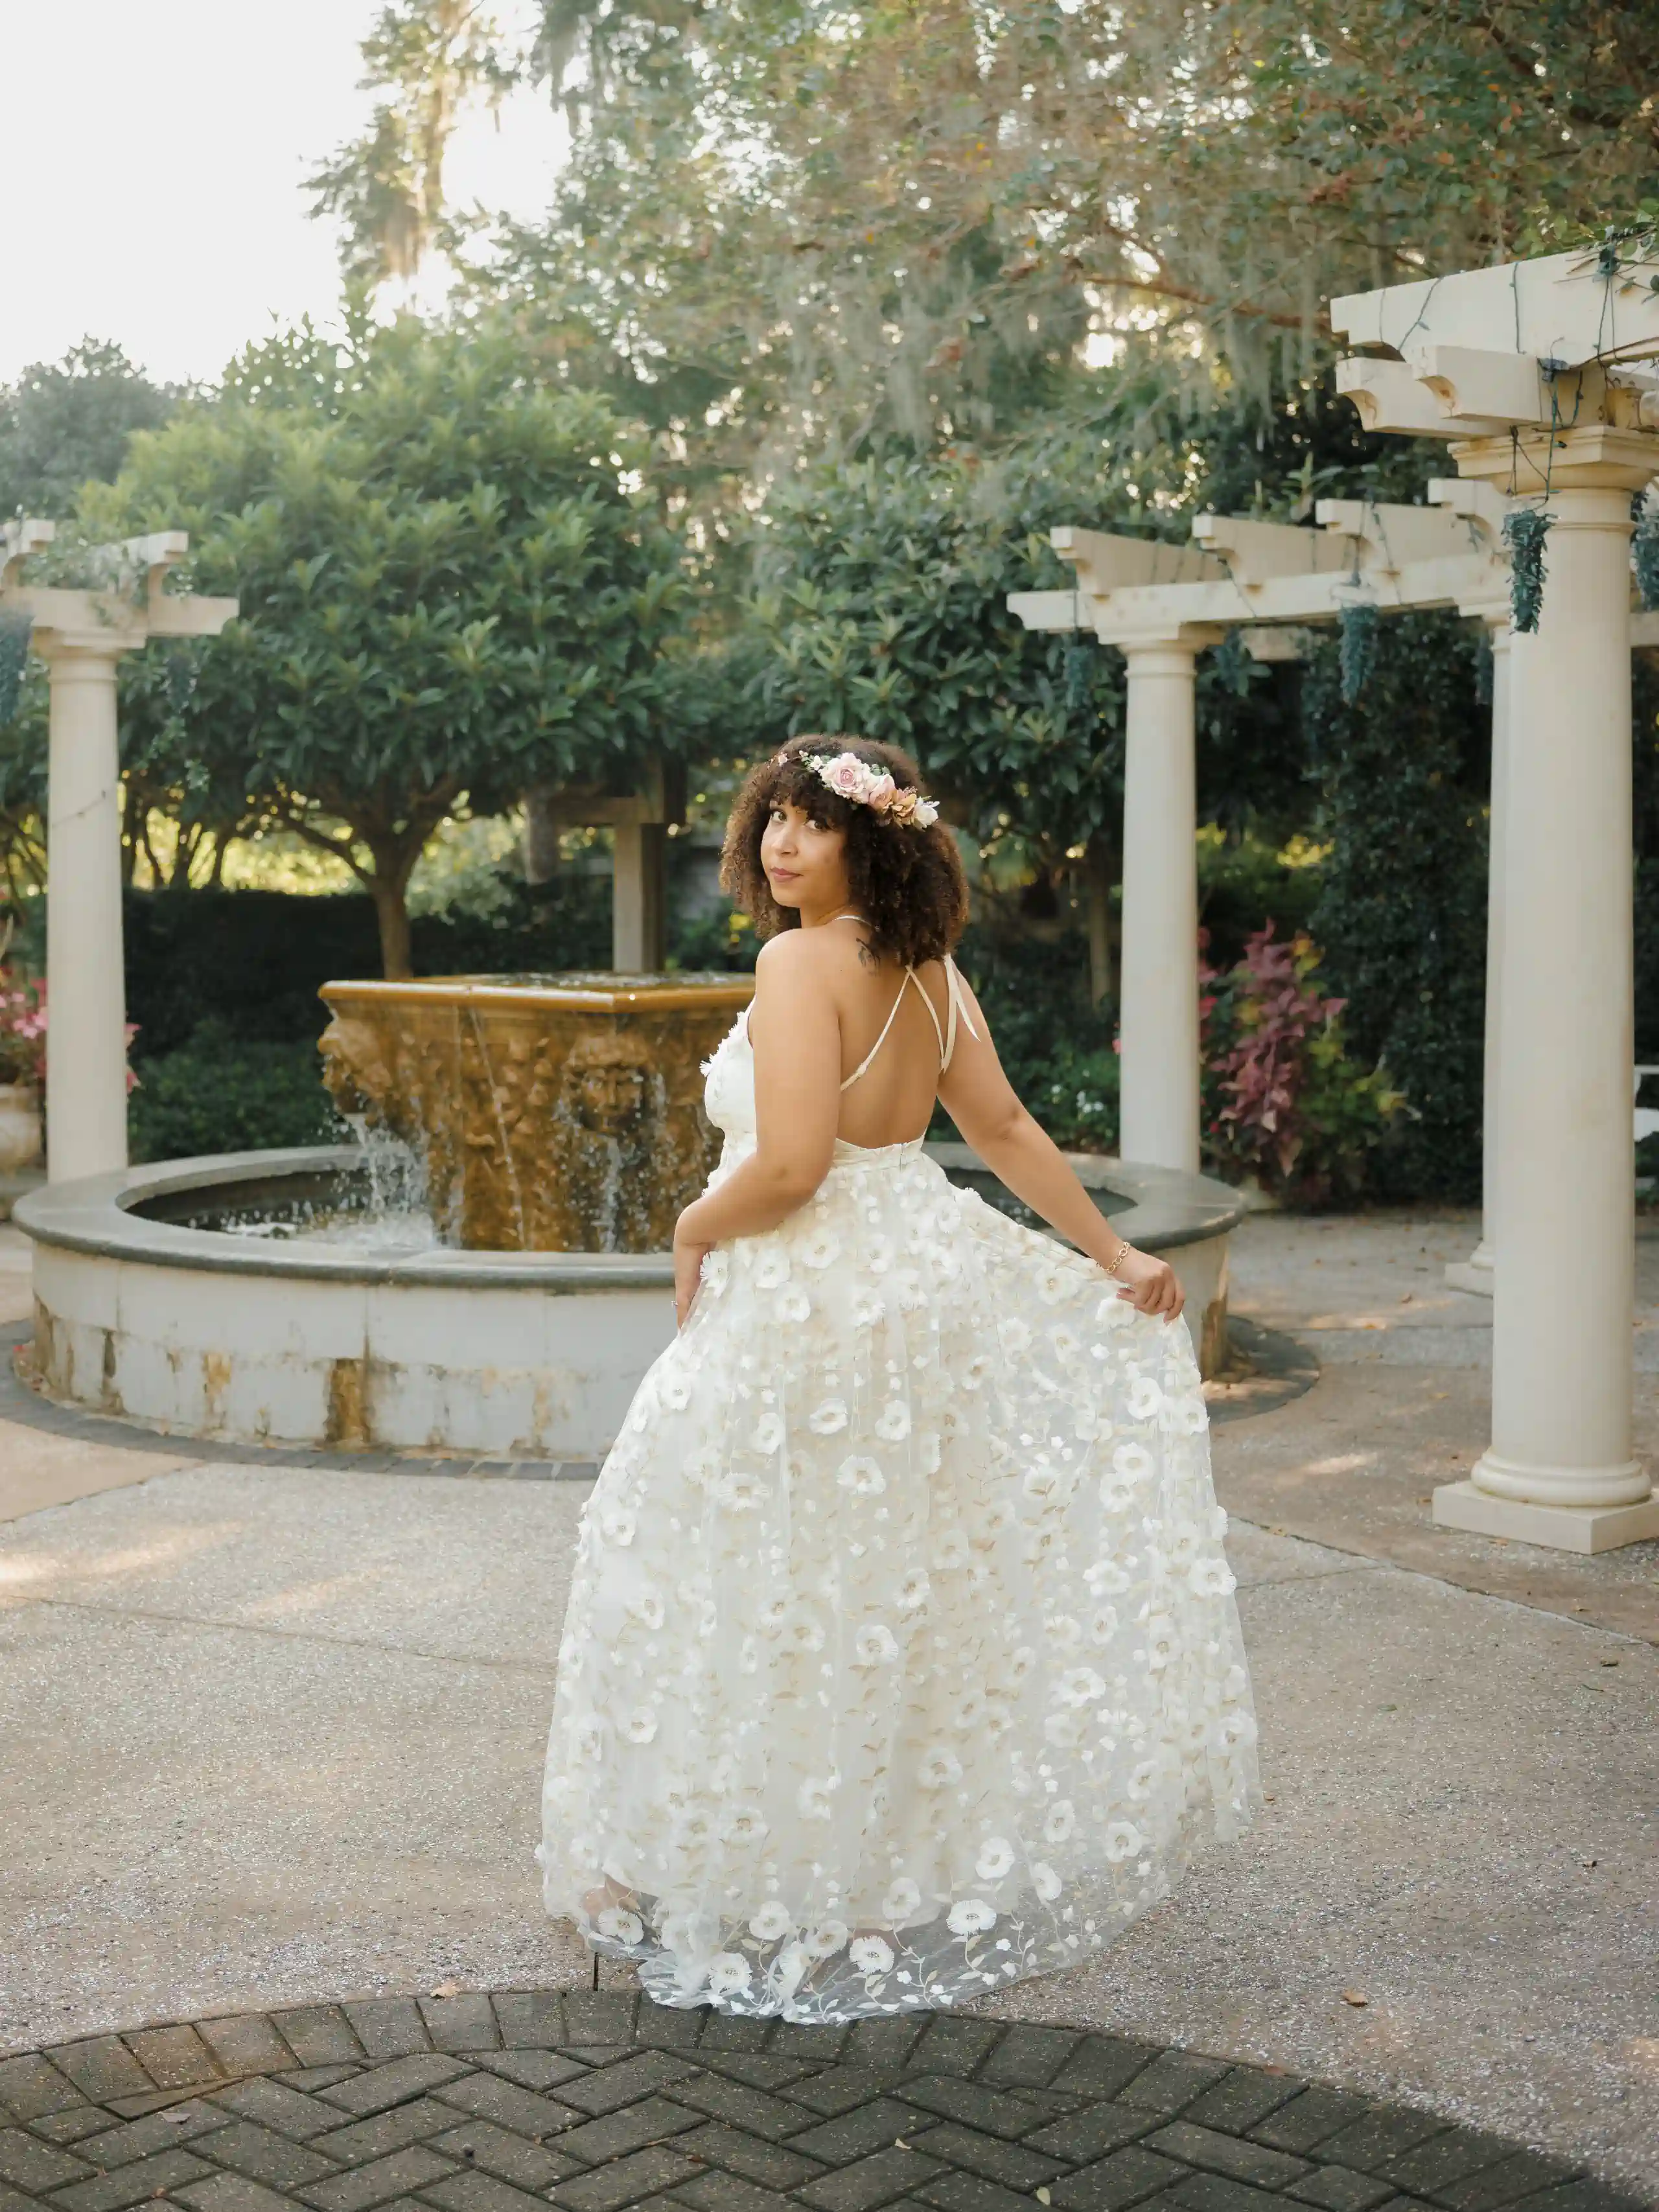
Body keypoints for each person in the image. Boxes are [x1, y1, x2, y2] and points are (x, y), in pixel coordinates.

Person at [538, 735, 1260, 2022]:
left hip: (807, 1301)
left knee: (715, 1565)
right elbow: (998, 1129)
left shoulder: (794, 961)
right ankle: (866, 1879)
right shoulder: (929, 972)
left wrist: (691, 1225)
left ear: (867, 837)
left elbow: (795, 1165)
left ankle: (704, 1863)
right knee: (876, 1579)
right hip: (913, 1283)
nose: (780, 842)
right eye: (772, 818)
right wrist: (1105, 1250)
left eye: (812, 823)